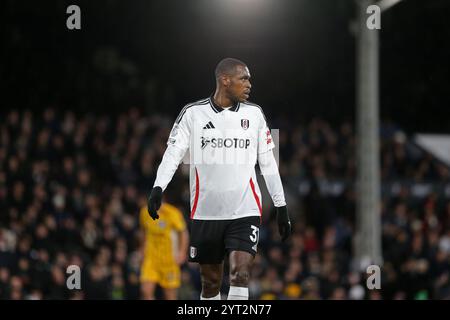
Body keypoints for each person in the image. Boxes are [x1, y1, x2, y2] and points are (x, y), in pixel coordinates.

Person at [147, 57, 291, 300]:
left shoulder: (255, 114)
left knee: (240, 275)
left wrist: (281, 205)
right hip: (206, 212)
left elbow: (268, 162)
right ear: (225, 80)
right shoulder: (192, 113)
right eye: (243, 78)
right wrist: (157, 188)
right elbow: (173, 154)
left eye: (249, 80)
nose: (249, 84)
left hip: (244, 210)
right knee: (210, 283)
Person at [139, 201, 189, 300]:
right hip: (151, 258)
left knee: (170, 296)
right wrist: (142, 248)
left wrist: (182, 252)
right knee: (145, 291)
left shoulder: (172, 212)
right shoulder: (144, 212)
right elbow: (143, 231)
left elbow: (183, 233)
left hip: (169, 260)